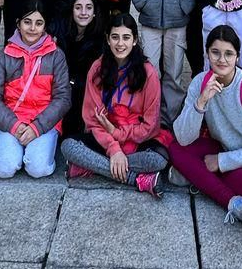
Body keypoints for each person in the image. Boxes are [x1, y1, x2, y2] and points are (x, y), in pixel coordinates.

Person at [169, 24, 242, 232]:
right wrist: (201, 102)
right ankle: (234, 202)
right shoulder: (200, 82)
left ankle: (197, 176)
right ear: (207, 54)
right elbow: (182, 137)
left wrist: (221, 161)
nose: (222, 60)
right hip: (226, 145)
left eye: (229, 54)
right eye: (215, 52)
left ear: (237, 56)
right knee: (175, 149)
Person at [62, 11, 169, 194]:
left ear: (135, 40)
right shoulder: (97, 68)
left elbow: (150, 126)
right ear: (108, 39)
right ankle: (137, 179)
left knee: (158, 159)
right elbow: (92, 120)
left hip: (136, 138)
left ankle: (93, 167)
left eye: (126, 37)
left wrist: (118, 133)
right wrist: (114, 149)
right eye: (115, 37)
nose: (120, 44)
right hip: (104, 139)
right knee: (68, 146)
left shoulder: (148, 73)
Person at [0, 0, 71, 178]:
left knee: (38, 169)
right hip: (12, 118)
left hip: (43, 120)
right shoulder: (6, 54)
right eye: (27, 22)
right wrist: (13, 125)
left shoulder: (56, 55)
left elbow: (63, 98)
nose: (32, 28)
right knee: (4, 169)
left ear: (45, 26)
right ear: (18, 24)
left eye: (39, 23)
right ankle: (12, 150)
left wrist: (37, 127)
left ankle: (35, 150)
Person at [51, 0, 107, 139]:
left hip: (83, 91)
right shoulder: (59, 31)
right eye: (78, 7)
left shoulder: (99, 37)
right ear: (72, 9)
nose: (83, 12)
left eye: (88, 8)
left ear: (94, 12)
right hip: (58, 87)